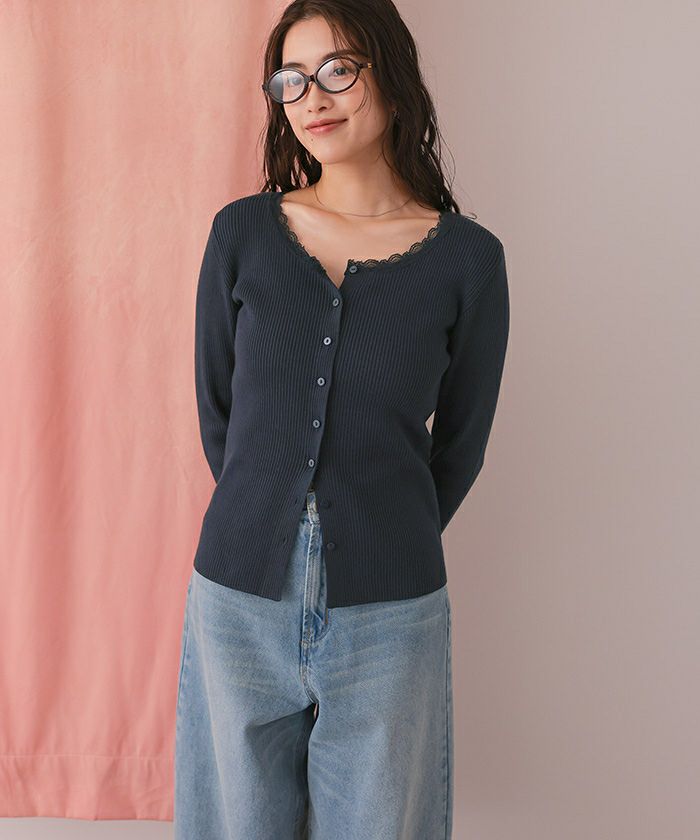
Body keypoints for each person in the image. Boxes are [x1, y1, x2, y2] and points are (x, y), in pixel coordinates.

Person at [174, 1, 510, 838]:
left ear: (391, 74)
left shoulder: (469, 260)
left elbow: (460, 445)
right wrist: (268, 514)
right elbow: (220, 414)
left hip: (391, 616)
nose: (313, 97)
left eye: (338, 70)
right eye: (291, 79)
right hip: (237, 601)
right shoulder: (243, 234)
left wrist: (381, 528)